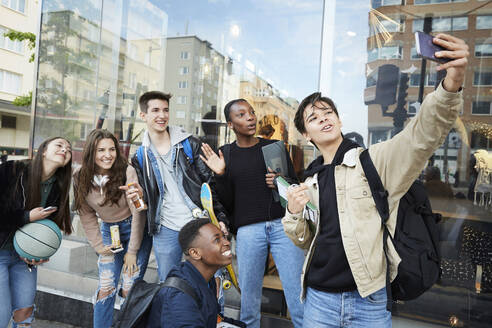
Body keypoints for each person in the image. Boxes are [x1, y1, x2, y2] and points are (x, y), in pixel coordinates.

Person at [283, 33, 468, 328]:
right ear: (306, 135)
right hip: (318, 300)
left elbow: (421, 136)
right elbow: (304, 240)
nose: (324, 119)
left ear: (340, 120)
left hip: (367, 301)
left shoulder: (373, 161)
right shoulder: (310, 181)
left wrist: (451, 85)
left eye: (328, 113)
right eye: (314, 119)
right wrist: (293, 213)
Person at [200, 99, 305, 328]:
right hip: (248, 231)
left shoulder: (274, 147)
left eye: (251, 112)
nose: (250, 117)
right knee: (248, 303)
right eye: (241, 115)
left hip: (282, 226)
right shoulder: (225, 154)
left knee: (298, 297)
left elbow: (295, 191)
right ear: (230, 124)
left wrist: (280, 182)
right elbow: (228, 203)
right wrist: (220, 174)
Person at [129, 91, 228, 282]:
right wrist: (141, 195)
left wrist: (220, 218)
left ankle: (213, 313)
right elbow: (147, 200)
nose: (162, 115)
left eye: (166, 110)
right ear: (143, 116)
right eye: (156, 110)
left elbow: (210, 187)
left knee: (210, 282)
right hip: (165, 227)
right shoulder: (140, 157)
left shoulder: (189, 144)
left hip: (199, 223)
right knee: (169, 284)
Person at [73, 129, 151, 328]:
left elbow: (138, 212)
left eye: (111, 149)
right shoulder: (80, 177)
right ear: (91, 152)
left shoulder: (126, 170)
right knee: (106, 286)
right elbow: (86, 215)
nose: (107, 155)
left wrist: (132, 251)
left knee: (128, 287)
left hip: (135, 228)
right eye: (101, 150)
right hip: (110, 231)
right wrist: (99, 246)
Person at [0, 137, 73, 328]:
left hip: (23, 257)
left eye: (68, 149)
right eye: (59, 145)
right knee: (2, 313)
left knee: (24, 312)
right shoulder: (12, 170)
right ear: (43, 150)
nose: (65, 150)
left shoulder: (58, 188)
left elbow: (47, 230)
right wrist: (25, 217)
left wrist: (40, 254)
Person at [146, 218, 232, 328]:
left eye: (223, 237)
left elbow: (213, 318)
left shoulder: (207, 278)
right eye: (217, 240)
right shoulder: (179, 296)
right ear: (195, 253)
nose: (227, 242)